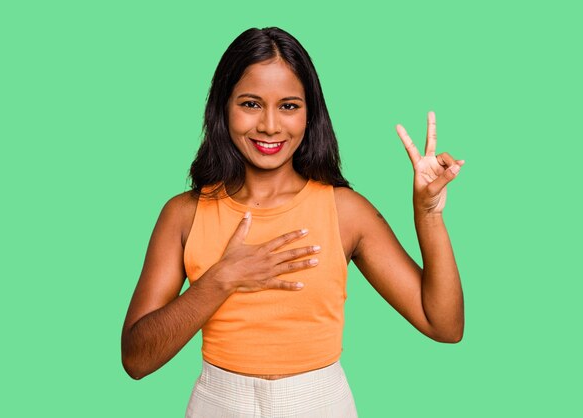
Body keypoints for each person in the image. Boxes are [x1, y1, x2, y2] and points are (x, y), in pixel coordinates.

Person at [121, 26, 464, 417]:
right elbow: (136, 359)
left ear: (309, 113)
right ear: (222, 107)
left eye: (288, 106)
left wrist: (428, 215)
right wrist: (222, 278)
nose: (270, 125)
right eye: (250, 104)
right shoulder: (183, 214)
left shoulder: (345, 211)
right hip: (217, 404)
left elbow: (444, 326)